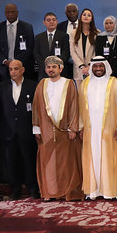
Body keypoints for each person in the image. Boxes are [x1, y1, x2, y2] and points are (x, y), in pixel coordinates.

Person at [32, 55, 83, 201]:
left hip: (65, 130)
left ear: (60, 69)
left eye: (54, 67)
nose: (51, 69)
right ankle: (49, 192)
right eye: (48, 67)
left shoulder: (68, 84)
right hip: (46, 129)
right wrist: (36, 128)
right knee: (47, 161)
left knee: (65, 162)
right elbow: (36, 107)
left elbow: (74, 106)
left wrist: (73, 128)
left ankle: (66, 191)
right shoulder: (42, 84)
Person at [79, 56, 117, 200]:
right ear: (91, 68)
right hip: (91, 129)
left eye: (101, 66)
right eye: (95, 66)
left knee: (110, 158)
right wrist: (81, 127)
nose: (98, 69)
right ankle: (93, 190)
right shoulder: (85, 84)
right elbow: (80, 107)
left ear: (106, 67)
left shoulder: (114, 83)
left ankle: (112, 190)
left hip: (110, 129)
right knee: (92, 157)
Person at [0, 59, 40, 200]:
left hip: (26, 131)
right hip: (8, 133)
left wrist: (36, 128)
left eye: (16, 69)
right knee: (11, 163)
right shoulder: (2, 87)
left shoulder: (33, 86)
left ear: (22, 70)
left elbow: (37, 109)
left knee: (29, 161)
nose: (13, 72)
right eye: (11, 69)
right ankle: (15, 190)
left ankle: (33, 189)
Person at [0, 3, 36, 82]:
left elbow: (30, 47)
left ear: (17, 13)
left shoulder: (27, 27)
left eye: (12, 12)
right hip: (4, 68)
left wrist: (16, 61)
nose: (10, 14)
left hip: (22, 66)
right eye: (8, 12)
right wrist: (4, 61)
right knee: (5, 88)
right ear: (5, 13)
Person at [34, 12, 72, 83]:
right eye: (48, 20)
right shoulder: (39, 37)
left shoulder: (64, 36)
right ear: (44, 23)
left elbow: (66, 52)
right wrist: (46, 66)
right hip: (44, 71)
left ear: (57, 22)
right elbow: (36, 53)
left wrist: (56, 65)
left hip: (60, 71)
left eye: (53, 20)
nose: (51, 22)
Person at [70, 9, 99, 86]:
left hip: (92, 68)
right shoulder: (73, 33)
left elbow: (96, 51)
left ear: (92, 19)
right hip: (79, 69)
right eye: (84, 15)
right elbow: (72, 52)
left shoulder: (97, 33)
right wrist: (82, 66)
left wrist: (89, 65)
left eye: (89, 15)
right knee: (80, 92)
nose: (86, 16)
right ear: (81, 17)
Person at [96, 15, 117, 85]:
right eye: (106, 23)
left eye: (111, 23)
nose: (108, 25)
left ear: (115, 24)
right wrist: (105, 68)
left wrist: (113, 69)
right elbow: (98, 54)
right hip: (104, 71)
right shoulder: (100, 37)